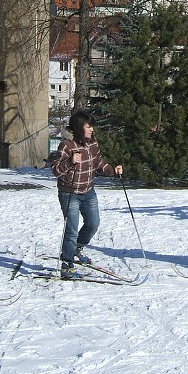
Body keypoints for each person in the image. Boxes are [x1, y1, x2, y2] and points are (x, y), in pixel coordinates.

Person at [52, 110, 123, 278]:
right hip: (69, 193)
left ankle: (77, 247)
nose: (92, 130)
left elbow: (99, 163)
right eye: (88, 126)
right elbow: (55, 170)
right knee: (71, 230)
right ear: (79, 127)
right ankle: (66, 264)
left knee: (93, 224)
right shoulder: (67, 146)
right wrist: (70, 161)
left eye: (92, 127)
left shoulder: (93, 143)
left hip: (88, 191)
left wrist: (113, 170)